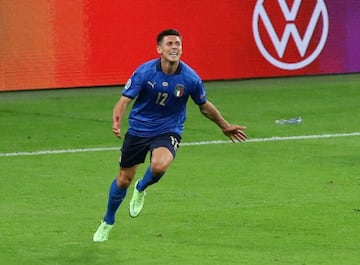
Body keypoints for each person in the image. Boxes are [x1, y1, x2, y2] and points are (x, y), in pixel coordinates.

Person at [93, 29, 247, 242]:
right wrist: (117, 119)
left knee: (159, 165)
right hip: (138, 130)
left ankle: (142, 187)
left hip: (168, 130)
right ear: (159, 49)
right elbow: (124, 100)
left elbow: (203, 106)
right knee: (123, 179)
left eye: (178, 44)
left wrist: (224, 125)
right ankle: (108, 221)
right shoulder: (145, 72)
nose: (174, 47)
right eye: (170, 44)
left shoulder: (190, 78)